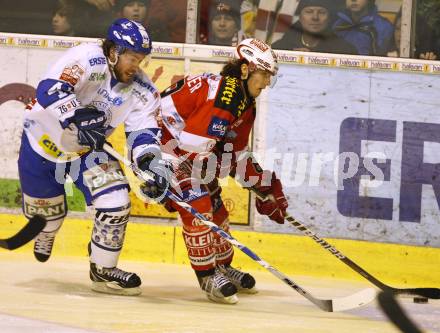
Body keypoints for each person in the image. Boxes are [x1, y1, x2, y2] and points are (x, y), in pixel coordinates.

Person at [19, 18, 168, 296]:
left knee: (116, 201)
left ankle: (103, 270)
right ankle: (48, 232)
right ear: (113, 51)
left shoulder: (143, 91)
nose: (137, 66)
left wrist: (152, 166)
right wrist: (76, 116)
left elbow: (143, 135)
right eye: (132, 58)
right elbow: (50, 89)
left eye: (142, 60)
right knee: (47, 216)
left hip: (87, 153)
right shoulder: (86, 57)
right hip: (42, 142)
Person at [142, 38, 288, 304]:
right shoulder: (225, 98)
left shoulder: (244, 102)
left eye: (269, 76)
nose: (267, 83)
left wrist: (265, 187)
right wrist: (162, 178)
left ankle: (222, 266)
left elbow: (234, 154)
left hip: (184, 146)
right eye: (264, 74)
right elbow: (191, 150)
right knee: (197, 200)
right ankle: (207, 275)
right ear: (245, 70)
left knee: (217, 206)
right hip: (157, 144)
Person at [272, 0, 358, 54]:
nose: (315, 17)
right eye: (309, 12)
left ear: (329, 19)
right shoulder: (279, 48)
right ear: (300, 18)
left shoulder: (345, 51)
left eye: (321, 12)